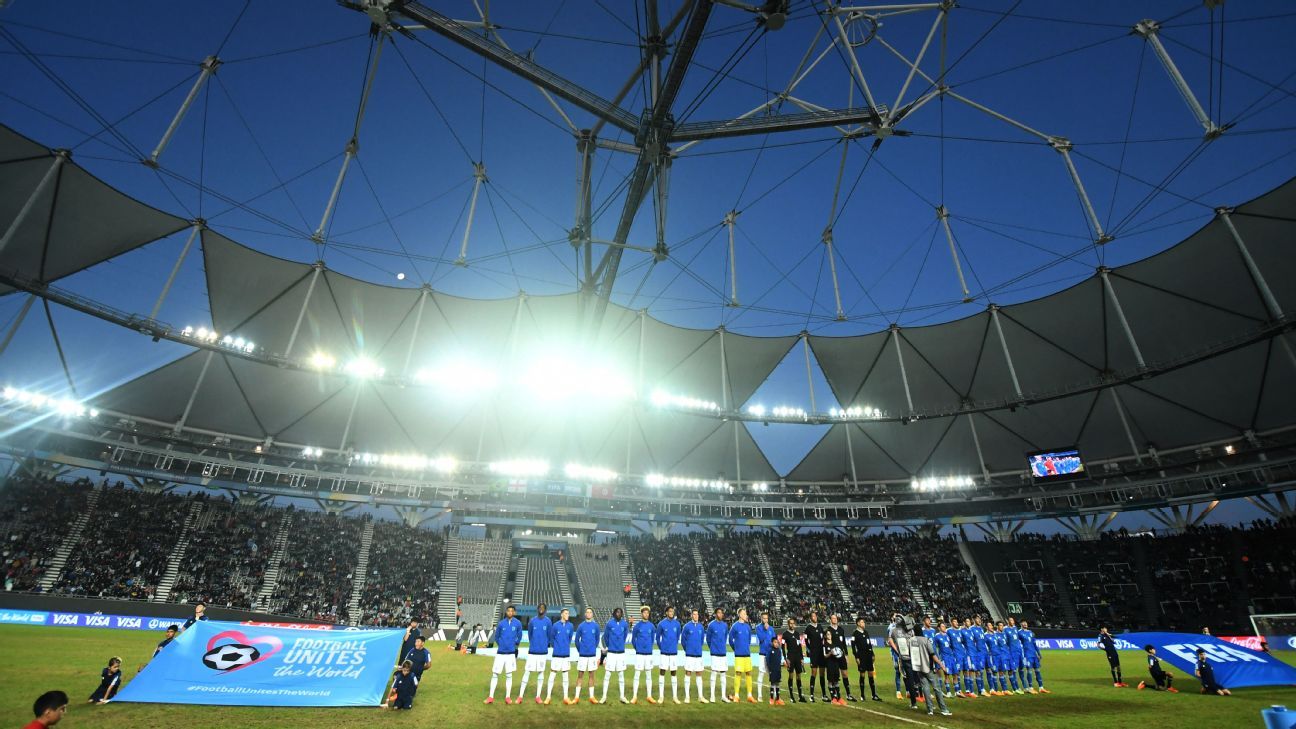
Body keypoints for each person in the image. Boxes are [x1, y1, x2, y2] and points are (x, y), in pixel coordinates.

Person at [484, 605, 522, 704]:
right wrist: (502, 645)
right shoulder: (501, 623)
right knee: (495, 674)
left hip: (510, 654)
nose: (510, 612)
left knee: (509, 675)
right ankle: (491, 697)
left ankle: (508, 697)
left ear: (514, 613)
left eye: (511, 611)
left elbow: (519, 636)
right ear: (506, 612)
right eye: (508, 611)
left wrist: (514, 645)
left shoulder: (518, 623)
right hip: (500, 653)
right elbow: (497, 637)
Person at [910, 629, 952, 717]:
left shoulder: (911, 640)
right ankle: (943, 709)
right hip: (928, 667)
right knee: (937, 688)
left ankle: (930, 709)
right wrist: (941, 665)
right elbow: (932, 654)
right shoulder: (926, 640)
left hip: (918, 667)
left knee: (925, 688)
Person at [518, 602, 552, 704]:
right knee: (527, 671)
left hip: (543, 652)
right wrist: (533, 644)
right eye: (539, 607)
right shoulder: (532, 621)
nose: (541, 609)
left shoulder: (548, 621)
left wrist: (545, 644)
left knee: (541, 673)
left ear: (545, 610)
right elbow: (530, 634)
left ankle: (538, 696)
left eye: (543, 608)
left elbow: (549, 635)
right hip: (532, 651)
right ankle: (520, 696)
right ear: (537, 609)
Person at [601, 606, 630, 703]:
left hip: (621, 653)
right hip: (612, 653)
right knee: (607, 674)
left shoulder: (625, 624)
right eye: (617, 612)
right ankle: (604, 697)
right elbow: (606, 636)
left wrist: (620, 644)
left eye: (620, 612)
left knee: (621, 674)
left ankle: (622, 696)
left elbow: (625, 636)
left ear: (622, 614)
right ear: (614, 613)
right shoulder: (609, 623)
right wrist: (610, 646)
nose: (619, 614)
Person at [547, 608, 576, 704]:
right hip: (556, 655)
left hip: (566, 655)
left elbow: (570, 637)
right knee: (552, 675)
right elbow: (551, 638)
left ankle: (565, 697)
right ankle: (548, 697)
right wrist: (557, 647)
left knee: (565, 676)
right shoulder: (555, 625)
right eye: (566, 613)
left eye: (568, 613)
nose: (568, 615)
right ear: (562, 614)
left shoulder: (571, 626)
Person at [888, 614, 918, 704]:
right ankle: (906, 693)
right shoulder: (906, 629)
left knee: (908, 676)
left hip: (905, 656)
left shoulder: (895, 630)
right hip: (909, 656)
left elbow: (890, 640)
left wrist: (897, 651)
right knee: (910, 676)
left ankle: (912, 696)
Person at [630, 606, 657, 704]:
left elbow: (653, 638)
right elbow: (633, 640)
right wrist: (638, 648)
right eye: (644, 613)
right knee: (637, 674)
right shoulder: (637, 626)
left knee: (648, 675)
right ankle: (634, 697)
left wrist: (649, 647)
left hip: (649, 654)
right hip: (639, 655)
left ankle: (649, 696)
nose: (646, 614)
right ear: (641, 614)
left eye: (647, 613)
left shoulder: (652, 626)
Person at [574, 607, 601, 704]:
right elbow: (577, 640)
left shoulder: (596, 626)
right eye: (587, 612)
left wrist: (593, 647)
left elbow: (597, 639)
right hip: (583, 655)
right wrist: (580, 650)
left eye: (590, 612)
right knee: (580, 675)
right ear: (585, 614)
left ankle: (591, 697)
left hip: (592, 655)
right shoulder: (581, 626)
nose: (589, 614)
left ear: (592, 614)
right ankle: (576, 697)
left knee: (591, 676)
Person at [655, 605, 682, 703]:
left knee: (674, 673)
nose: (671, 613)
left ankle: (675, 697)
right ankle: (661, 696)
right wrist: (661, 648)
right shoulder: (661, 624)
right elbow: (657, 638)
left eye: (672, 611)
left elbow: (678, 636)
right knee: (662, 672)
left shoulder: (677, 624)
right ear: (666, 613)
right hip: (664, 653)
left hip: (674, 653)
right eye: (670, 611)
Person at [728, 607, 756, 703]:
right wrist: (736, 649)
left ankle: (749, 695)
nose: (746, 615)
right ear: (740, 615)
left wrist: (745, 648)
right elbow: (730, 640)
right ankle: (736, 696)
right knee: (738, 673)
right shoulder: (735, 626)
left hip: (747, 654)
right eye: (744, 613)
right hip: (738, 655)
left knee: (748, 673)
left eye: (746, 613)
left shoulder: (748, 627)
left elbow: (748, 640)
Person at [851, 618, 881, 701]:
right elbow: (853, 647)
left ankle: (874, 695)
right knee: (862, 675)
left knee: (871, 674)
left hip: (868, 656)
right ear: (858, 623)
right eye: (862, 622)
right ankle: (862, 695)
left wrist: (872, 654)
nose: (863, 623)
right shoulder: (855, 634)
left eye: (864, 622)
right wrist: (856, 657)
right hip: (861, 656)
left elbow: (869, 644)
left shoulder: (866, 632)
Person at [681, 608, 707, 703]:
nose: (696, 616)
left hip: (698, 655)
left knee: (699, 674)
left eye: (697, 614)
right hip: (690, 655)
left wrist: (697, 649)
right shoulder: (687, 627)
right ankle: (687, 697)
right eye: (694, 614)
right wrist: (687, 650)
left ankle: (701, 696)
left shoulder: (701, 627)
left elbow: (701, 641)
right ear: (691, 615)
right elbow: (683, 641)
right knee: (688, 673)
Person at [706, 607, 729, 703]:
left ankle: (723, 696)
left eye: (721, 613)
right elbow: (708, 639)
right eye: (718, 613)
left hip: (723, 653)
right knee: (714, 673)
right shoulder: (711, 625)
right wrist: (712, 648)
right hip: (715, 653)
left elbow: (725, 637)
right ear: (715, 614)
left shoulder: (725, 625)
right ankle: (712, 696)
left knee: (723, 674)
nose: (720, 614)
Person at [828, 613, 853, 701]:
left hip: (842, 655)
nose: (834, 619)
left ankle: (848, 694)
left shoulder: (841, 630)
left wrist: (846, 655)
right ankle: (835, 694)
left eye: (835, 618)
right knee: (835, 676)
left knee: (845, 674)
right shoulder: (828, 630)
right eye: (833, 618)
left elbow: (844, 644)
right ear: (830, 620)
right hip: (833, 656)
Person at [754, 611, 777, 701]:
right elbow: (761, 638)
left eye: (767, 618)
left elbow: (774, 640)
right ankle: (759, 696)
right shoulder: (758, 628)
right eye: (764, 618)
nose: (765, 620)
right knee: (761, 673)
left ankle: (775, 695)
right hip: (762, 654)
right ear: (761, 619)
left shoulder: (771, 628)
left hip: (770, 654)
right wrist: (765, 629)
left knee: (772, 675)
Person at [1019, 620, 1047, 693]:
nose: (1025, 623)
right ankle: (1030, 688)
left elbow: (1034, 644)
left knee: (1037, 670)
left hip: (1034, 654)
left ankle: (1041, 687)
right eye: (1023, 623)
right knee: (1029, 670)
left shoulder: (1031, 633)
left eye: (1026, 622)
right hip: (1027, 654)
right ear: (1020, 624)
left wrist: (1039, 653)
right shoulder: (1019, 633)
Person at [782, 617, 806, 703]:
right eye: (790, 623)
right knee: (791, 676)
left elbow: (799, 646)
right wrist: (785, 658)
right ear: (788, 624)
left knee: (799, 676)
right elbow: (782, 647)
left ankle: (800, 696)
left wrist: (802, 658)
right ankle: (792, 696)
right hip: (790, 657)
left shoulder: (796, 633)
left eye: (793, 623)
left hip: (797, 657)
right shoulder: (785, 634)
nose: (792, 625)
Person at [805, 610, 826, 702]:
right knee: (814, 672)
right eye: (813, 616)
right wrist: (810, 650)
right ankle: (811, 695)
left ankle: (824, 694)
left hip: (821, 653)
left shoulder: (820, 627)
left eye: (816, 616)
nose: (815, 617)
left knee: (822, 673)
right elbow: (806, 641)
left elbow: (824, 639)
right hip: (814, 654)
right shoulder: (808, 628)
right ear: (810, 618)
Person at [402, 636, 431, 700]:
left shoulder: (426, 652)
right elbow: (405, 660)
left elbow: (429, 665)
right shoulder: (412, 650)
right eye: (415, 641)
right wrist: (403, 668)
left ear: (422, 643)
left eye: (418, 642)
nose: (416, 643)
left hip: (416, 675)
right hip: (407, 672)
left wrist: (420, 668)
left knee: (411, 693)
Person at [933, 623, 955, 698]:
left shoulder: (947, 636)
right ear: (939, 628)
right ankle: (948, 692)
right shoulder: (937, 636)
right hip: (944, 657)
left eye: (945, 626)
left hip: (951, 657)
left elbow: (951, 646)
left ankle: (956, 691)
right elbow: (934, 648)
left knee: (954, 673)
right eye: (942, 626)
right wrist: (938, 657)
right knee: (946, 674)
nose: (944, 627)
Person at [823, 629, 844, 705]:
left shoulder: (834, 644)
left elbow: (838, 654)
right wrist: (830, 653)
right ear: (825, 636)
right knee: (830, 681)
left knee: (836, 680)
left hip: (836, 664)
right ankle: (833, 698)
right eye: (828, 634)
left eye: (830, 634)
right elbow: (825, 656)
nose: (829, 635)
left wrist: (839, 654)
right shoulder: (824, 645)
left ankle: (839, 697)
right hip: (829, 664)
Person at [767, 634, 785, 706]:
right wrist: (770, 669)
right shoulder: (770, 650)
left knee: (777, 683)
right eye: (775, 642)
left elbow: (779, 660)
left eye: (777, 642)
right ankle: (771, 698)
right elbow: (768, 660)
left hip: (778, 670)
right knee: (772, 683)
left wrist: (782, 664)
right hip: (772, 670)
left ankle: (777, 699)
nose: (776, 643)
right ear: (772, 643)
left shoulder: (779, 650)